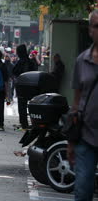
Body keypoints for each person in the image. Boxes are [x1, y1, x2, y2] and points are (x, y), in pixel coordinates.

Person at [68, 10, 98, 201]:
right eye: (97, 26)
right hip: (86, 136)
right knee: (83, 191)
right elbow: (76, 102)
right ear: (90, 30)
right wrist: (71, 142)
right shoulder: (82, 61)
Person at [13, 44, 37, 130]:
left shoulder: (20, 62)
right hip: (31, 86)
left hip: (22, 87)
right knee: (31, 106)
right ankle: (34, 122)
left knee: (22, 106)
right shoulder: (30, 61)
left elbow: (14, 71)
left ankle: (24, 124)